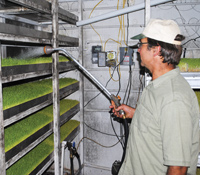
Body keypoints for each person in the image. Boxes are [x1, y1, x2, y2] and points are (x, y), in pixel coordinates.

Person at [110, 19, 200, 175]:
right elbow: (158, 122)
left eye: (141, 45)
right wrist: (132, 112)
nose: (138, 50)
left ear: (156, 50)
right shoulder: (157, 86)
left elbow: (177, 168)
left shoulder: (174, 98)